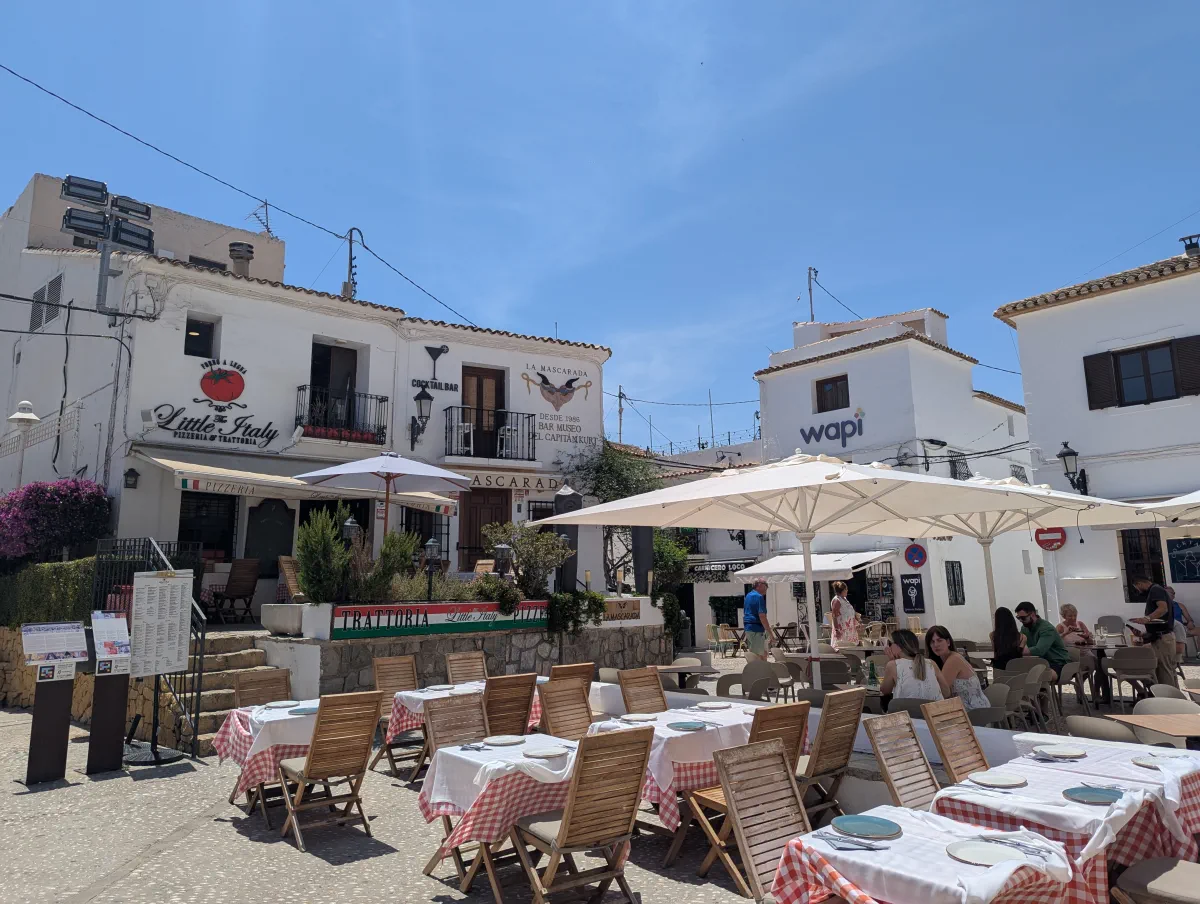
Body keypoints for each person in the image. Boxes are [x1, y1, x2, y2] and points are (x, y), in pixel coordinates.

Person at [925, 625, 989, 710]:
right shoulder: (945, 660)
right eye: (932, 642)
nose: (936, 644)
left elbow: (942, 693)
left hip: (974, 712)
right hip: (968, 708)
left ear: (948, 642)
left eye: (939, 640)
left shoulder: (954, 659)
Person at [881, 629, 945, 706]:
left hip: (906, 714)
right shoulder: (931, 663)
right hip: (932, 714)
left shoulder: (892, 665)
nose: (888, 647)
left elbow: (885, 691)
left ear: (899, 646)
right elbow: (946, 692)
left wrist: (892, 661)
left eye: (890, 643)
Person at [1132, 575, 1176, 686]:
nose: (1137, 590)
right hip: (1158, 636)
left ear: (1140, 584)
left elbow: (1162, 608)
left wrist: (1147, 618)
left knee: (1164, 671)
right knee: (1163, 669)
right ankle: (1169, 697)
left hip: (1163, 637)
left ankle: (1168, 700)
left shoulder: (1155, 590)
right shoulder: (1156, 590)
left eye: (1136, 587)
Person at [1015, 601, 1071, 676]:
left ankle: (1042, 687)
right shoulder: (1025, 628)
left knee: (1035, 676)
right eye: (1018, 618)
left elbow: (1039, 650)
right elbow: (1021, 644)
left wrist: (1016, 652)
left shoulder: (1047, 628)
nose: (1021, 621)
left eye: (1023, 618)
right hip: (1040, 662)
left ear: (1032, 614)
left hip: (1058, 663)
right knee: (1018, 673)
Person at [742, 579, 771, 660]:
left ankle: (756, 671)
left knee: (754, 653)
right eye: (766, 585)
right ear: (760, 585)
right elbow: (762, 616)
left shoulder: (748, 596)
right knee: (761, 656)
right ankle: (761, 672)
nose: (767, 588)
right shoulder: (759, 597)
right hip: (756, 629)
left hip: (748, 628)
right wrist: (770, 633)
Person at [829, 581, 860, 650]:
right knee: (843, 649)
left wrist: (856, 621)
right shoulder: (836, 600)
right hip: (842, 631)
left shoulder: (844, 599)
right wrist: (837, 630)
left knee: (851, 649)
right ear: (842, 590)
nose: (847, 591)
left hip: (849, 630)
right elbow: (834, 616)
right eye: (846, 589)